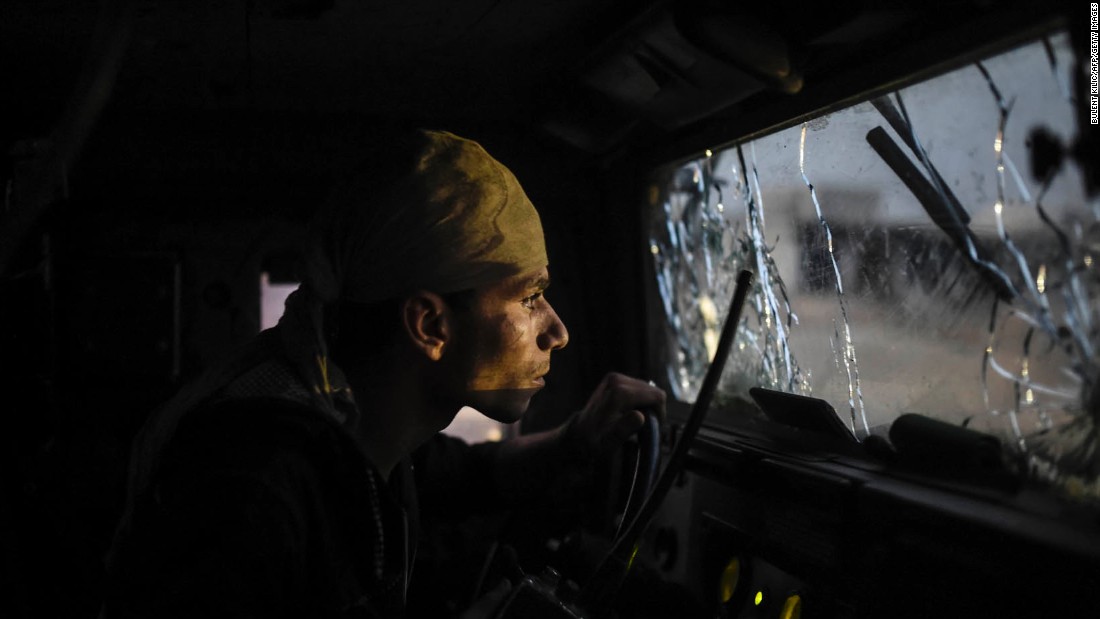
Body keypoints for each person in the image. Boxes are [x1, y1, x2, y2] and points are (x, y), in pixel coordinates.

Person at [101, 129, 665, 618]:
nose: (558, 330)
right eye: (531, 297)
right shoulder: (252, 491)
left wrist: (576, 440)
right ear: (429, 326)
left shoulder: (357, 424)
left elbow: (464, 475)